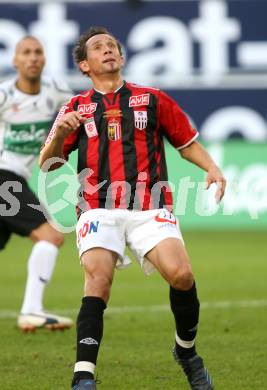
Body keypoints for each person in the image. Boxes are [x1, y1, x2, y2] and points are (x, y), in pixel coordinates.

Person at [39, 27, 226, 389]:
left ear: (121, 59)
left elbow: (185, 143)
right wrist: (62, 132)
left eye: (113, 46)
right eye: (98, 47)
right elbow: (50, 163)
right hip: (97, 206)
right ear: (84, 65)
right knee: (98, 279)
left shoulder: (152, 99)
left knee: (182, 276)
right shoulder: (75, 108)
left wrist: (212, 167)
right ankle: (83, 376)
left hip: (149, 205)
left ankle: (186, 351)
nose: (108, 50)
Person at [0, 36, 73, 331]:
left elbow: (79, 118)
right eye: (26, 53)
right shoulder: (4, 96)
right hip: (4, 177)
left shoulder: (57, 94)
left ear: (44, 59)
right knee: (51, 236)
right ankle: (32, 310)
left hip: (16, 178)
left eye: (38, 52)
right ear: (15, 60)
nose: (32, 57)